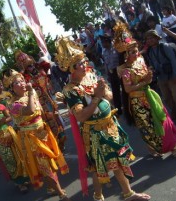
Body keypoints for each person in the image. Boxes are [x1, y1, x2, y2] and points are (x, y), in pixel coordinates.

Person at [55, 36, 151, 201]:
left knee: (106, 163)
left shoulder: (92, 76)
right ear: (71, 68)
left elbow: (111, 96)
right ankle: (122, 194)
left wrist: (104, 92)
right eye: (80, 63)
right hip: (94, 131)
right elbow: (81, 115)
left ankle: (105, 195)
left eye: (85, 60)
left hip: (110, 124)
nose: (85, 64)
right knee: (104, 164)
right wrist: (97, 97)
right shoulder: (71, 90)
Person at [115, 23, 176, 158]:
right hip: (138, 102)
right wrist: (145, 81)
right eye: (132, 52)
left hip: (150, 96)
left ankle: (173, 148)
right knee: (148, 128)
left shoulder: (140, 60)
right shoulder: (125, 70)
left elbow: (147, 76)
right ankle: (154, 148)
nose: (136, 53)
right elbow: (128, 88)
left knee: (163, 119)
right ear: (125, 55)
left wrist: (149, 76)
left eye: (136, 49)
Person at [7, 72, 70, 201]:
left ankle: (51, 187)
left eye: (22, 80)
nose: (22, 83)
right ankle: (60, 193)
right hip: (31, 138)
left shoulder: (33, 94)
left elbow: (40, 110)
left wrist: (51, 119)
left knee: (50, 160)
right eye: (17, 82)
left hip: (43, 132)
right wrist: (30, 92)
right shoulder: (13, 105)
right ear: (12, 88)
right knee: (44, 164)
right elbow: (29, 110)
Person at [144, 30, 176, 123]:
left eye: (151, 38)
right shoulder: (149, 51)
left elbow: (173, 61)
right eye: (148, 39)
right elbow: (151, 64)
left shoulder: (165, 46)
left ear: (157, 38)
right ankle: (174, 115)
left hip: (172, 75)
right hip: (161, 77)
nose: (150, 40)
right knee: (167, 98)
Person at [100, 33, 123, 114]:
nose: (102, 44)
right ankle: (118, 108)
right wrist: (108, 75)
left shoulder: (116, 48)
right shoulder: (104, 52)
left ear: (107, 42)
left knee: (124, 89)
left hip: (119, 71)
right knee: (115, 91)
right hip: (111, 73)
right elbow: (106, 64)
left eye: (103, 43)